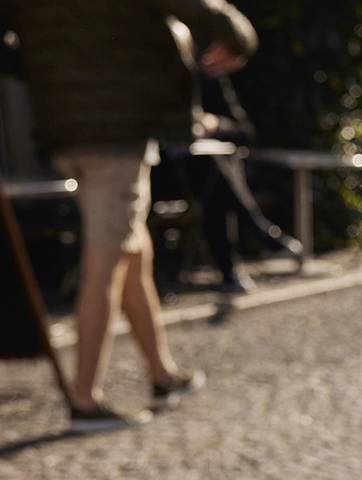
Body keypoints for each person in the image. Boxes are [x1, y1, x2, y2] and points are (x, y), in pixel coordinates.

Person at [0, 0, 255, 429]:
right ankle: (85, 400)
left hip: (63, 129)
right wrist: (241, 40)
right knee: (107, 262)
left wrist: (44, 73)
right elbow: (207, 13)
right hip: (118, 133)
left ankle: (161, 373)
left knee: (132, 247)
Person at [192, 71, 302, 294]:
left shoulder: (208, 79)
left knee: (217, 181)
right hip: (173, 176)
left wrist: (215, 124)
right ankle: (260, 233)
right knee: (218, 178)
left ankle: (232, 269)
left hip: (209, 175)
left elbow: (244, 131)